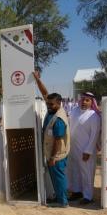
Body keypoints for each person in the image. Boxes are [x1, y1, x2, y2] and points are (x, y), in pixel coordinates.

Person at [33, 71, 70, 207]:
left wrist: (53, 157)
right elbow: (45, 93)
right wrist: (37, 80)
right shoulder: (52, 109)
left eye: (51, 105)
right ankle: (60, 198)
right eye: (48, 104)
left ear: (59, 103)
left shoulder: (58, 119)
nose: (49, 106)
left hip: (57, 154)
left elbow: (58, 141)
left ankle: (63, 202)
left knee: (59, 177)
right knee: (55, 177)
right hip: (53, 153)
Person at [67, 92, 101, 205]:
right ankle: (77, 192)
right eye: (82, 100)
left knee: (87, 173)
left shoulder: (93, 116)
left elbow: (95, 135)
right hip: (73, 148)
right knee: (74, 171)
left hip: (85, 150)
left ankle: (88, 196)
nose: (84, 102)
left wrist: (88, 150)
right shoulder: (74, 111)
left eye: (87, 100)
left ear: (92, 102)